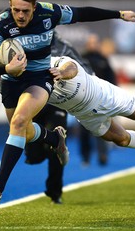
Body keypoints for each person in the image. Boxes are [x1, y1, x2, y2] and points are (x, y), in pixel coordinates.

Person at [0, 0, 135, 204]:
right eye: (16, 10)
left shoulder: (50, 12)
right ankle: (54, 137)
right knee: (22, 131)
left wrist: (119, 14)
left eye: (25, 10)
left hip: (39, 78)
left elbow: (82, 13)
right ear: (10, 6)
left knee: (19, 122)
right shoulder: (0, 25)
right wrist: (6, 68)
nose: (21, 15)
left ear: (35, 7)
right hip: (11, 81)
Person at [24, 32, 93, 204]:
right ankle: (39, 153)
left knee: (57, 143)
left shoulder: (64, 47)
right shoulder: (24, 42)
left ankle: (55, 192)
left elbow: (86, 70)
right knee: (34, 155)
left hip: (57, 103)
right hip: (33, 100)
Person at [80, 34, 116, 166]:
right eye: (90, 42)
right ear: (87, 44)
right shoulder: (80, 58)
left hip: (101, 99)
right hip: (83, 100)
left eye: (95, 42)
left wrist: (112, 96)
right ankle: (85, 157)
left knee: (102, 127)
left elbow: (112, 79)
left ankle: (103, 155)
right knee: (84, 131)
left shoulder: (104, 59)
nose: (92, 45)